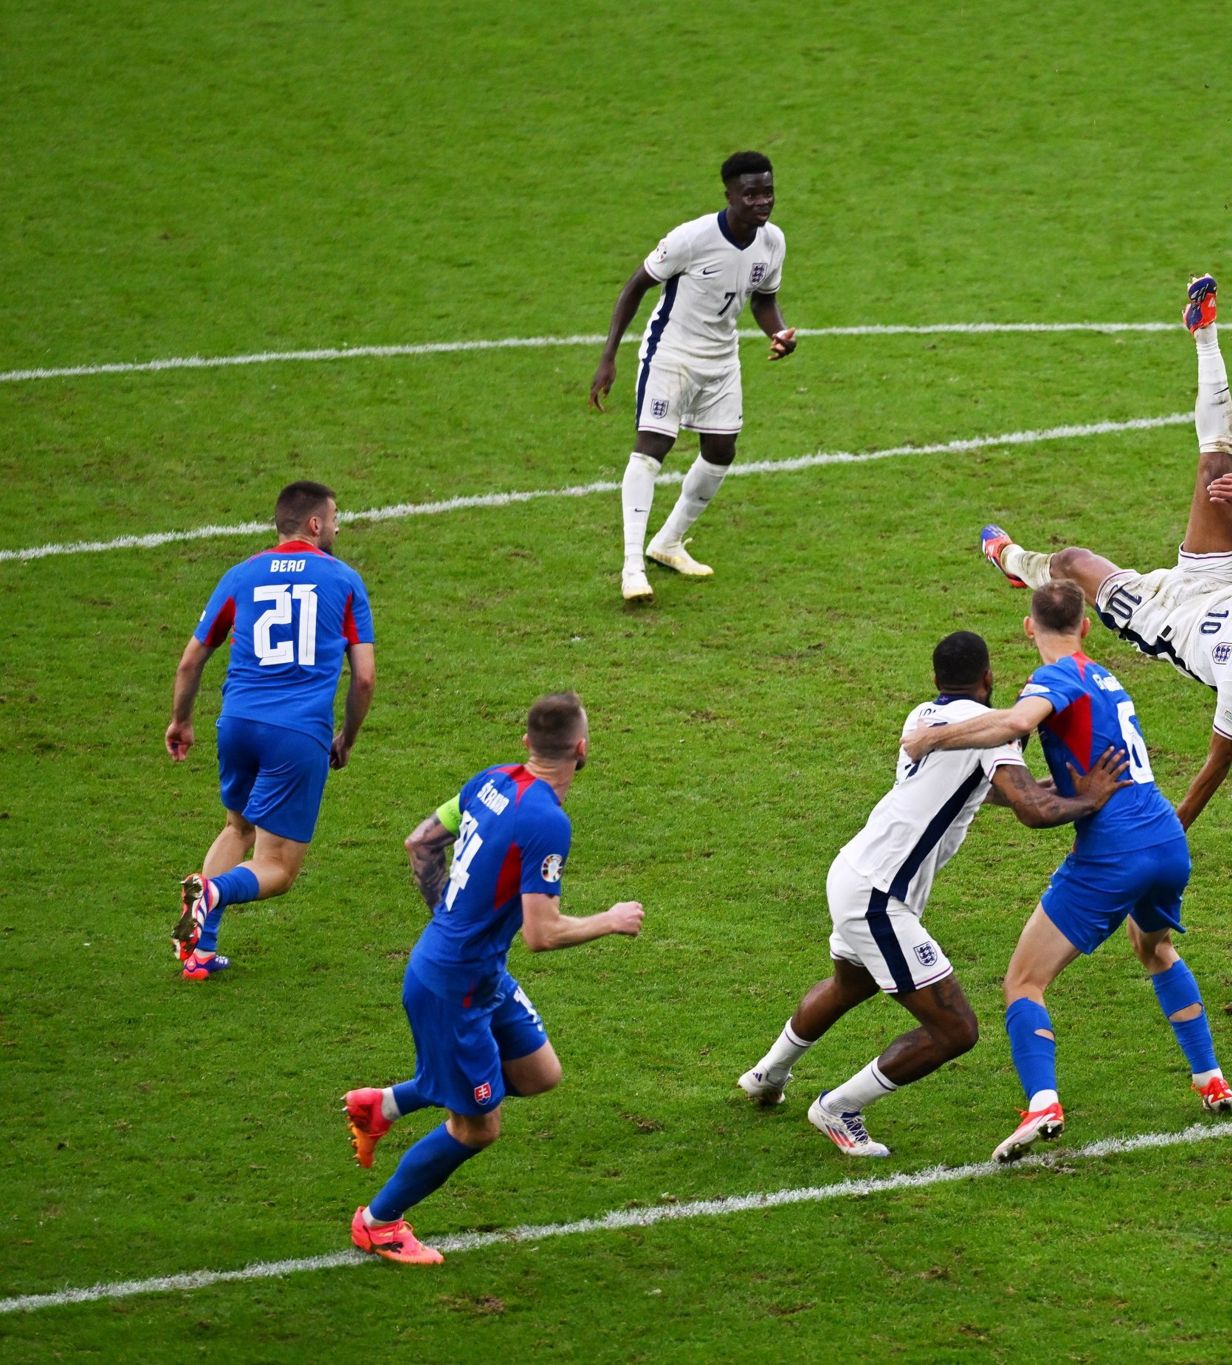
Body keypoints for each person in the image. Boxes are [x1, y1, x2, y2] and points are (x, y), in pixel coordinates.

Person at [738, 631, 1132, 1158]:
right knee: (955, 1029)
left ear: (935, 680)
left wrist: (1061, 789)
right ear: (989, 679)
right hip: (879, 896)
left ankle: (768, 1074)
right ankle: (838, 1108)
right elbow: (1031, 811)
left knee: (848, 984)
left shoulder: (924, 717)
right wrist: (1088, 799)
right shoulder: (992, 734)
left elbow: (980, 790)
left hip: (854, 870)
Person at [901, 583, 1232, 1164]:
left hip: (1114, 852)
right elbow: (1076, 768)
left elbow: (1013, 724)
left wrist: (934, 736)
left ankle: (1043, 1103)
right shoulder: (1104, 675)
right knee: (1153, 950)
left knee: (1023, 982)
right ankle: (1211, 1078)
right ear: (1085, 628)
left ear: (1030, 630)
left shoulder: (1053, 680)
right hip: (1166, 838)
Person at [979, 275, 1232, 829]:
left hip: (1163, 619)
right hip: (1210, 578)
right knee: (1218, 468)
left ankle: (1013, 563)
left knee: (1069, 562)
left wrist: (1173, 829)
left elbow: (1215, 766)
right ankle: (1204, 332)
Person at [341, 693, 645, 1265]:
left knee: (538, 1074)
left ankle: (382, 1106)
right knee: (477, 1127)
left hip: (476, 971)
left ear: (526, 743)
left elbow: (422, 841)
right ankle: (378, 1222)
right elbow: (541, 933)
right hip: (453, 986)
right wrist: (611, 920)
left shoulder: (490, 780)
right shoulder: (548, 822)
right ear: (581, 749)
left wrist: (451, 920)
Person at [165, 480, 375, 980]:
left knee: (239, 826)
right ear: (315, 524)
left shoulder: (240, 575)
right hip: (297, 733)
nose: (340, 526)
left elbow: (191, 661)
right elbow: (364, 677)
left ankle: (199, 952)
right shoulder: (344, 580)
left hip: (237, 723)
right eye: (337, 516)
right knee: (277, 869)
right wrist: (347, 736)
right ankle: (212, 891)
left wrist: (181, 720)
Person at [589, 150, 797, 602]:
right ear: (729, 195)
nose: (762, 202)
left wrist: (778, 331)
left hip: (722, 361)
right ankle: (631, 567)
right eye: (751, 194)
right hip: (672, 355)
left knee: (721, 450)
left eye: (768, 192)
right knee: (651, 449)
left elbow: (763, 300)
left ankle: (667, 543)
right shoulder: (691, 238)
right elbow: (634, 288)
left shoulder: (772, 241)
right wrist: (609, 357)